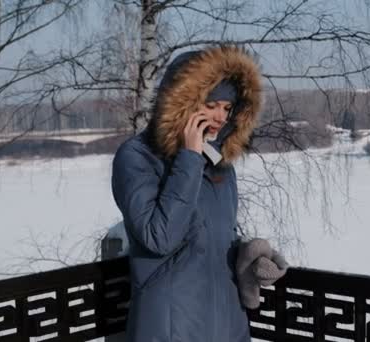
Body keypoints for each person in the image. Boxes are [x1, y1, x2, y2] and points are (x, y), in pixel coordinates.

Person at [111, 45, 262, 341]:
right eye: (211, 104)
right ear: (183, 102)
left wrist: (249, 257)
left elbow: (211, 238)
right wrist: (189, 159)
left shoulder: (219, 165)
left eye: (227, 108)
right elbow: (159, 237)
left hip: (228, 326)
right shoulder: (137, 157)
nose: (220, 117)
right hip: (171, 328)